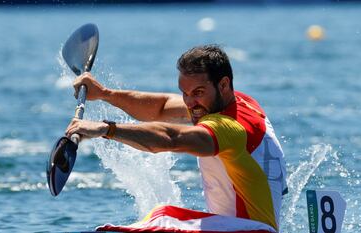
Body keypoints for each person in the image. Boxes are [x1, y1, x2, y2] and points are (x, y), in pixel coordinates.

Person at [66, 45, 288, 232]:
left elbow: (170, 138)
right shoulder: (240, 102)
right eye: (185, 93)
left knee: (161, 217)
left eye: (198, 92)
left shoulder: (229, 128)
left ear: (223, 85)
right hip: (242, 227)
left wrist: (105, 129)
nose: (190, 104)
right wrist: (105, 93)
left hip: (250, 231)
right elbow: (162, 107)